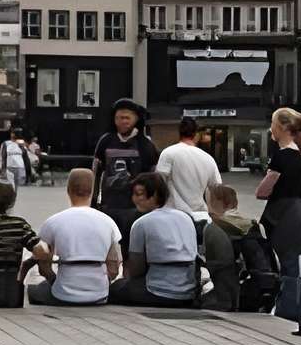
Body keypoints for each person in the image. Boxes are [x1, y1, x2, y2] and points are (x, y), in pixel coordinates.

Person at [256, 106, 301, 325]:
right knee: (295, 268)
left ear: (282, 127)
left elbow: (262, 192)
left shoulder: (282, 156)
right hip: (295, 216)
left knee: (289, 268)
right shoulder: (298, 156)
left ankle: (287, 316)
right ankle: (295, 316)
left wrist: (269, 180)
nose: (271, 128)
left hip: (284, 217)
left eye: (273, 123)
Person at [28, 167, 122, 308]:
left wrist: (53, 280)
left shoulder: (53, 221)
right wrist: (105, 282)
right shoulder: (108, 222)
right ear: (92, 190)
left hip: (63, 292)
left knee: (33, 290)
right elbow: (114, 266)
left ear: (68, 189)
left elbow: (43, 266)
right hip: (99, 293)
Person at [109, 173, 200, 306]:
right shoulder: (186, 218)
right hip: (189, 292)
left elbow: (136, 269)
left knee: (115, 288)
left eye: (139, 194)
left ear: (155, 195)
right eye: (133, 194)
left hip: (157, 291)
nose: (135, 199)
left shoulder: (141, 223)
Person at [201, 181, 276, 312]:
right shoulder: (254, 224)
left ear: (215, 203)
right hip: (260, 286)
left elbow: (214, 265)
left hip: (227, 295)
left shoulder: (216, 226)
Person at [92, 102, 157, 245]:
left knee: (132, 250)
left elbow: (153, 180)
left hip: (135, 209)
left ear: (136, 119)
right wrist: (93, 203)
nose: (123, 121)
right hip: (109, 206)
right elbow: (95, 174)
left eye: (127, 118)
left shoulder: (146, 145)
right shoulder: (106, 142)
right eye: (119, 118)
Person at [155, 115, 222, 229]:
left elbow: (158, 181)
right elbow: (217, 189)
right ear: (196, 135)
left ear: (179, 133)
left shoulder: (168, 153)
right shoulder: (208, 158)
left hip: (172, 217)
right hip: (200, 218)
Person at [0, 179, 49, 305]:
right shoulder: (19, 225)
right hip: (9, 292)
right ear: (11, 202)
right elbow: (42, 252)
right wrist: (26, 266)